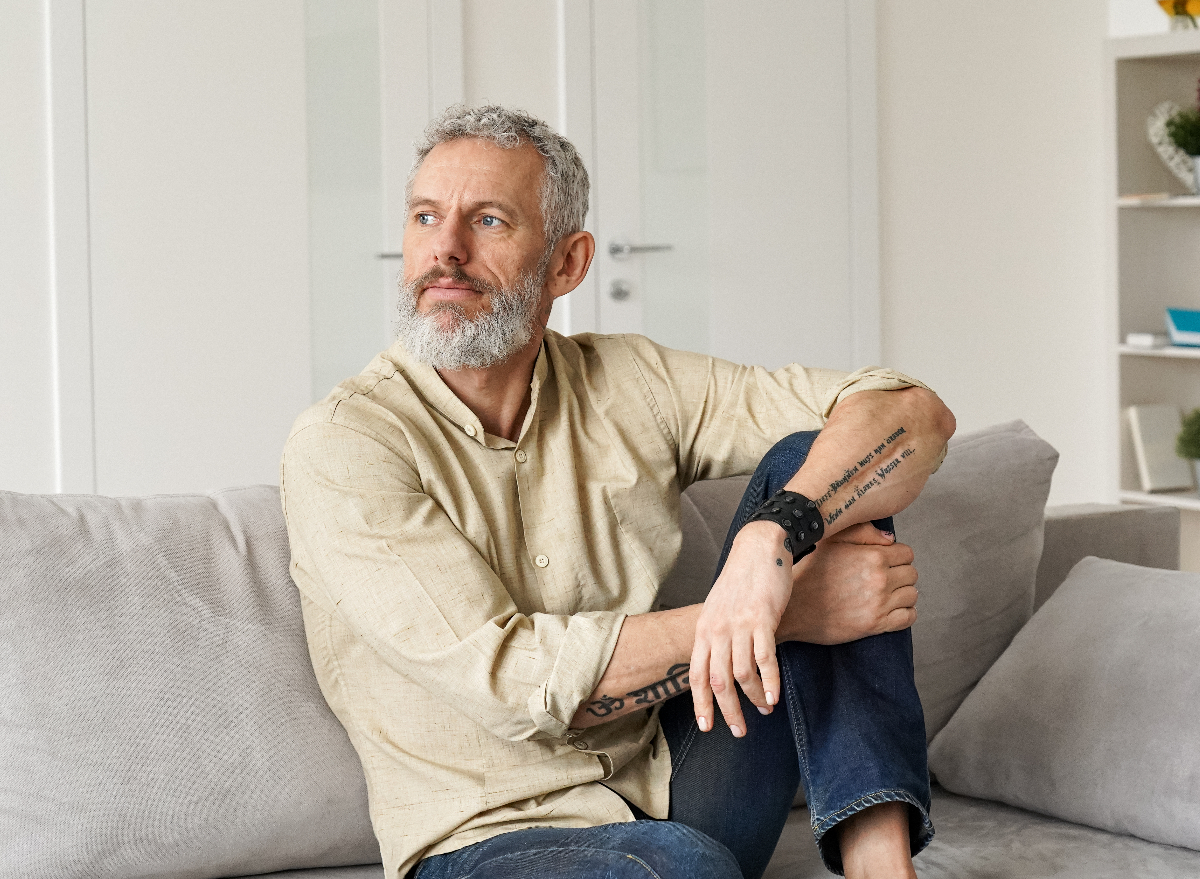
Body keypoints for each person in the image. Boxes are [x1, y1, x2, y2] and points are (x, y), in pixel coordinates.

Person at [280, 104, 956, 879]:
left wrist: (771, 541)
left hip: (679, 785)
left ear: (567, 264)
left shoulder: (631, 381)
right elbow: (514, 684)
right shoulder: (345, 443)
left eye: (489, 220)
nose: (445, 249)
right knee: (679, 870)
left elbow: (911, 413)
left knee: (819, 467)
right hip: (483, 843)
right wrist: (790, 607)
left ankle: (883, 869)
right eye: (426, 216)